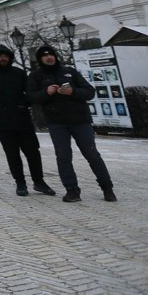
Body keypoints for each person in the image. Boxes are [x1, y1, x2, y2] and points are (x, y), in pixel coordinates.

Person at [27, 45, 116, 203]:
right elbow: (32, 97)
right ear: (40, 59)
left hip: (80, 120)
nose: (49, 57)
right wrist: (45, 93)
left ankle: (107, 188)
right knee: (63, 157)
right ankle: (72, 190)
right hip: (57, 122)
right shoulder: (36, 76)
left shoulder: (69, 71)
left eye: (51, 54)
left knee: (92, 154)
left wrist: (73, 92)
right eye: (45, 55)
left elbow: (89, 91)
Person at [0, 44, 55, 197]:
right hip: (2, 118)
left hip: (22, 117)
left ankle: (39, 181)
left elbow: (29, 91)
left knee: (32, 152)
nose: (3, 58)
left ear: (10, 57)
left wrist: (25, 103)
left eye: (5, 55)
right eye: (0, 56)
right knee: (12, 153)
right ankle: (20, 182)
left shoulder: (18, 72)